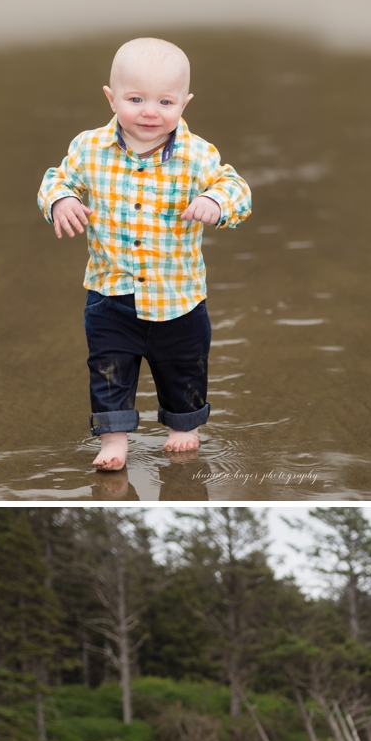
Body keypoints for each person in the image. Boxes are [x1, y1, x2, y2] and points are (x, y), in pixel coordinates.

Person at [37, 37, 251, 471]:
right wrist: (60, 201)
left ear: (184, 102)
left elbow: (238, 190)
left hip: (179, 297)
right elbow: (55, 180)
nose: (151, 111)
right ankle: (113, 440)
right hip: (110, 294)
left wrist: (216, 202)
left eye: (165, 101)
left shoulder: (197, 154)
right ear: (111, 98)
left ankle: (184, 428)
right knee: (108, 370)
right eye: (136, 99)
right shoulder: (89, 148)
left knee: (185, 369)